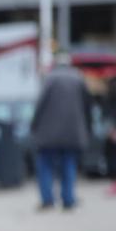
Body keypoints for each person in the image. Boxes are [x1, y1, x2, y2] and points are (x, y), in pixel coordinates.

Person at [30, 53, 92, 210]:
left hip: (49, 133)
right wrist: (87, 127)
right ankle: (68, 199)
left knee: (45, 165)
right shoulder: (78, 78)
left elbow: (40, 105)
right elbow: (87, 106)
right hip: (72, 132)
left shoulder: (50, 79)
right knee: (69, 164)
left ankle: (47, 200)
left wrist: (34, 125)